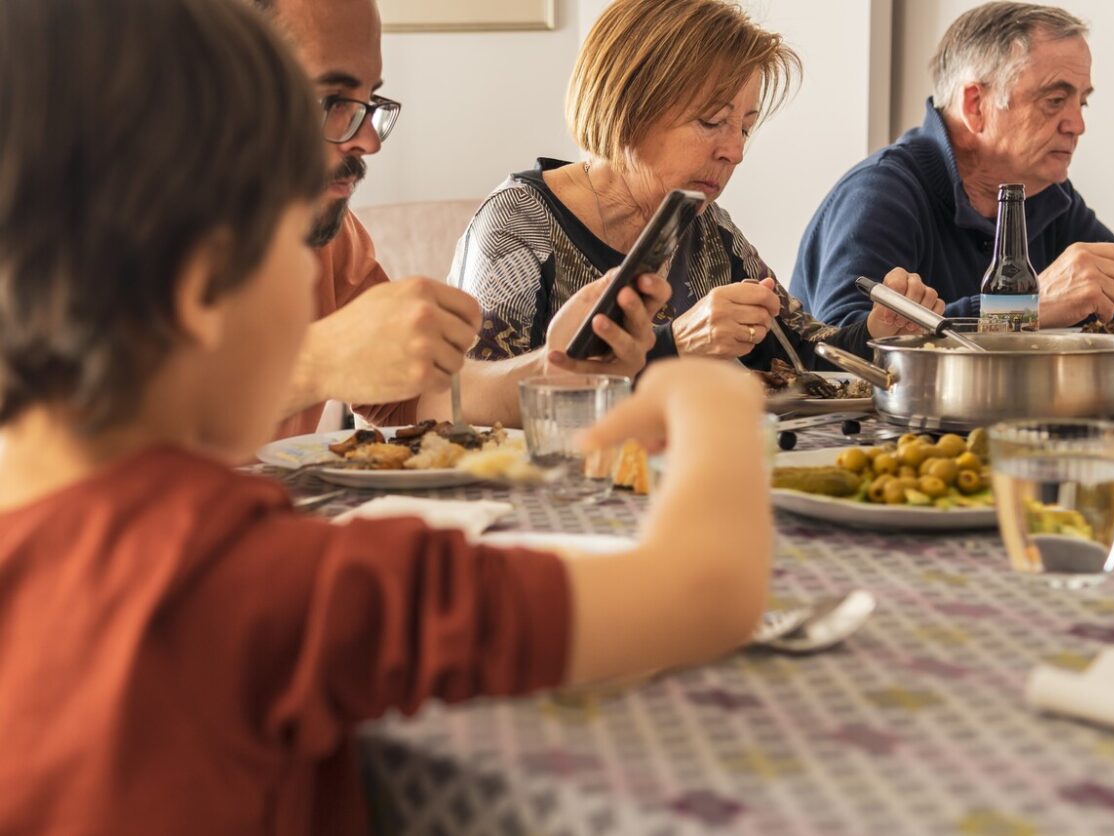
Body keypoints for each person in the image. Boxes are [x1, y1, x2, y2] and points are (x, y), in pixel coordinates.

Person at [0, 0, 774, 833]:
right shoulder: (271, 583)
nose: (363, 140)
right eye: (284, 250)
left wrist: (554, 369)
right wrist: (710, 404)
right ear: (201, 290)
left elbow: (429, 399)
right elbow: (705, 592)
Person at [455, 0, 942, 378]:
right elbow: (483, 399)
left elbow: (804, 353)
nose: (736, 151)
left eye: (745, 128)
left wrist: (879, 330)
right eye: (711, 122)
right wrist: (676, 344)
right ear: (628, 106)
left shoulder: (704, 226)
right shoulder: (520, 220)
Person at [262, 0, 670, 436]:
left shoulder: (329, 234)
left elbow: (418, 399)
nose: (368, 141)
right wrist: (318, 362)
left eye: (369, 101)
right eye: (333, 101)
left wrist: (558, 368)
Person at [790, 1, 1114, 329]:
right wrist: (1023, 310)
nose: (1078, 125)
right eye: (1055, 100)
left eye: (1081, 103)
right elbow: (841, 340)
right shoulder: (880, 192)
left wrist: (1071, 303)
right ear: (975, 105)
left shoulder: (1047, 198)